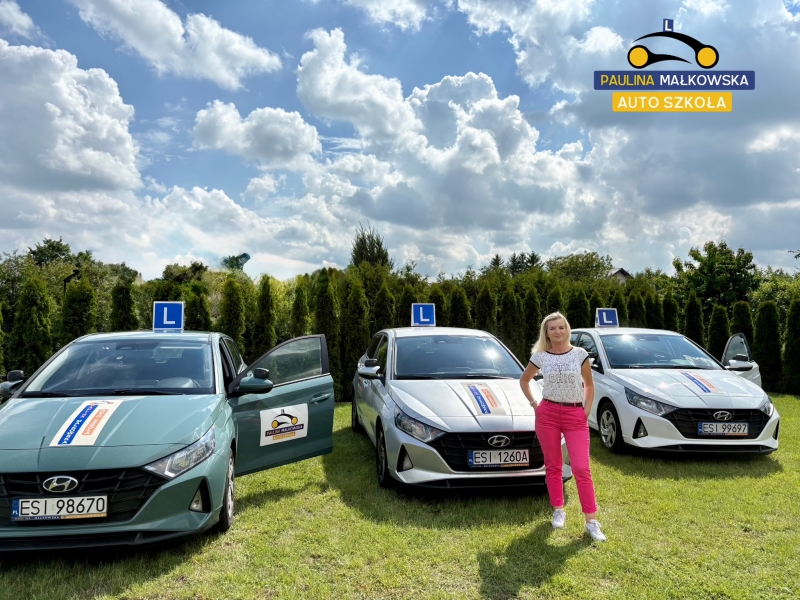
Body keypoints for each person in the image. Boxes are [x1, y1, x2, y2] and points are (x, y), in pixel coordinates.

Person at [519, 311, 606, 542]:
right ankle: (558, 509)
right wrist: (535, 404)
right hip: (547, 414)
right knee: (553, 464)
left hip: (574, 414)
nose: (557, 331)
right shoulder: (540, 356)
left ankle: (591, 522)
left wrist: (585, 411)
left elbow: (589, 385)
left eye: (561, 327)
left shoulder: (579, 354)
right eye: (552, 328)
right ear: (546, 333)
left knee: (581, 467)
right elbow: (524, 380)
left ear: (567, 329)